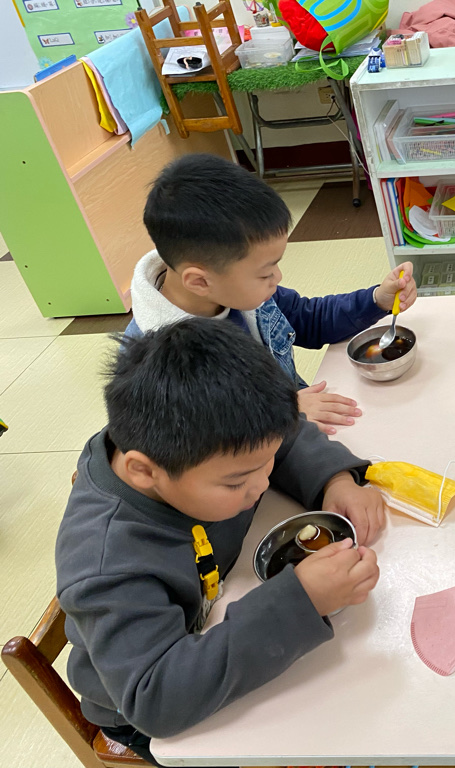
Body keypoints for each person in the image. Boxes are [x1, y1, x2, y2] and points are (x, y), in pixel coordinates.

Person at [57, 319, 385, 766]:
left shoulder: (203, 443)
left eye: (265, 466)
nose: (261, 484)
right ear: (143, 472)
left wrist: (335, 479)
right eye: (236, 483)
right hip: (149, 708)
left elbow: (282, 438)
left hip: (222, 609)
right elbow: (156, 697)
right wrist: (302, 601)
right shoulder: (108, 564)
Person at [126, 153, 417, 434]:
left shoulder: (244, 295)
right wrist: (283, 411)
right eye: (265, 273)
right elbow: (201, 440)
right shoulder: (155, 364)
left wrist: (376, 299)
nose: (277, 278)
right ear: (200, 282)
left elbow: (310, 319)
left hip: (298, 419)